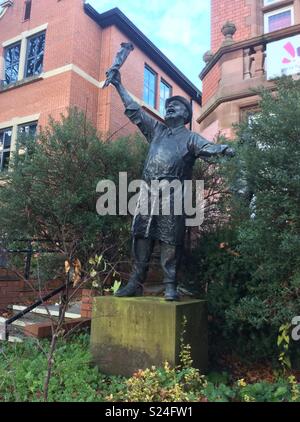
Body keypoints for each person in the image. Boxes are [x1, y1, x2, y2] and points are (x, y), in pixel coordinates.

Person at [107, 69, 234, 301]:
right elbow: (134, 111)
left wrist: (224, 149)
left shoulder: (191, 138)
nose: (170, 108)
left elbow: (208, 148)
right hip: (147, 192)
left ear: (186, 115)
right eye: (168, 106)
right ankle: (136, 282)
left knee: (170, 238)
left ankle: (170, 285)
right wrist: (118, 85)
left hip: (174, 194)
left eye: (175, 106)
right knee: (140, 235)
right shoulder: (156, 130)